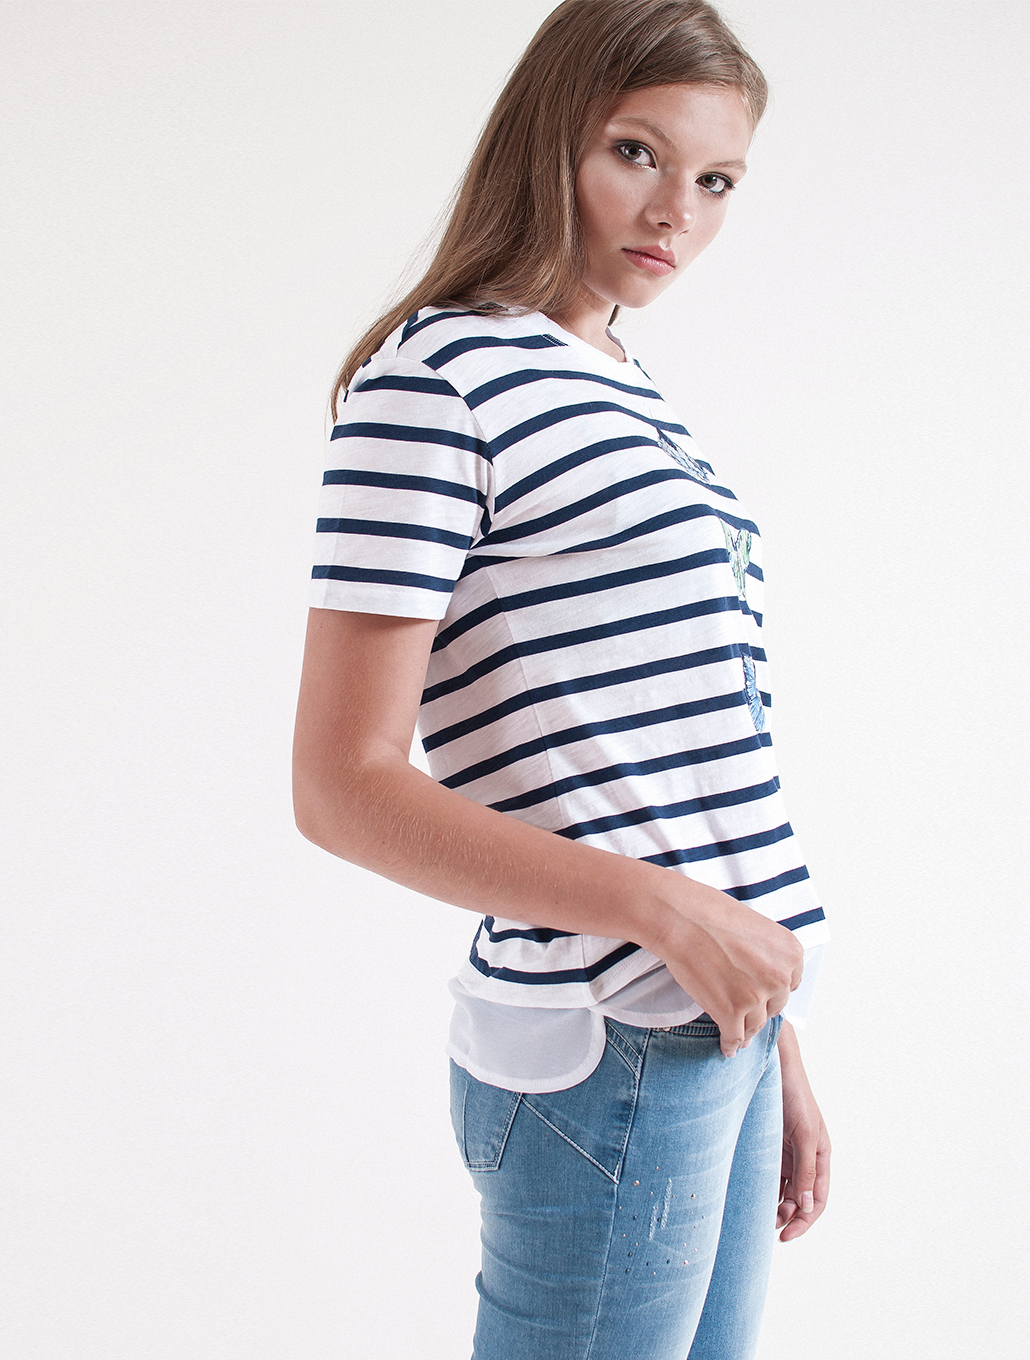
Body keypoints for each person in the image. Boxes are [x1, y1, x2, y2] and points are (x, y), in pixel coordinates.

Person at [292, 2, 830, 1355]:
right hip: (605, 1037)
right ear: (551, 137)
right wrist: (669, 917)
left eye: (717, 180)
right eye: (637, 152)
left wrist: (774, 1036)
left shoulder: (623, 381)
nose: (677, 212)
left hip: (714, 1025)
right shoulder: (441, 377)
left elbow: (685, 756)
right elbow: (340, 786)